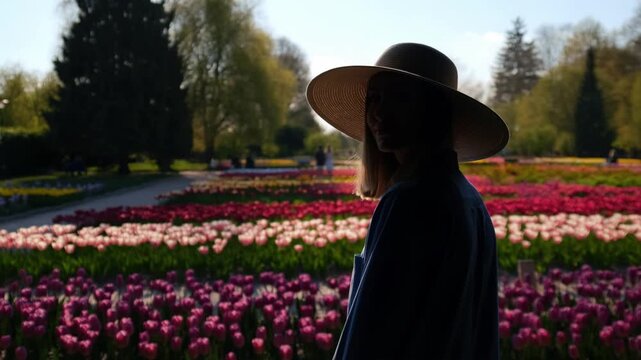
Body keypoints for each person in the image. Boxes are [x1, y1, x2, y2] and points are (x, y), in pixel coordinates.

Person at [306, 43, 509, 359]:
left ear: (434, 109)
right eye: (374, 98)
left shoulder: (410, 200)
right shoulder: (469, 200)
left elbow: (372, 333)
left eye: (400, 97)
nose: (379, 112)